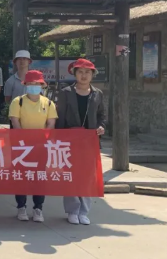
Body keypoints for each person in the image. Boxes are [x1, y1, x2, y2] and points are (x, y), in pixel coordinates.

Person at [56, 59, 106, 225]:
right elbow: (60, 116)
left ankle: (84, 211)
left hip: (90, 142)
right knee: (70, 175)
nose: (84, 75)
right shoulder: (66, 92)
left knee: (87, 176)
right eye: (80, 72)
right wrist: (58, 139)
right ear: (75, 73)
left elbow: (102, 115)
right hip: (69, 141)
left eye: (87, 72)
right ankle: (72, 210)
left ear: (92, 75)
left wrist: (101, 127)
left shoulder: (97, 93)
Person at [9, 70, 57, 223]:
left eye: (37, 84)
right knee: (21, 177)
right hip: (21, 147)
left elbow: (51, 123)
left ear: (42, 85)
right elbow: (15, 121)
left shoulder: (48, 103)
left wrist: (41, 140)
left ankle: (38, 208)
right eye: (30, 83)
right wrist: (25, 139)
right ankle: (21, 206)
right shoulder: (18, 101)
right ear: (25, 85)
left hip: (41, 146)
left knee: (39, 177)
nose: (34, 86)